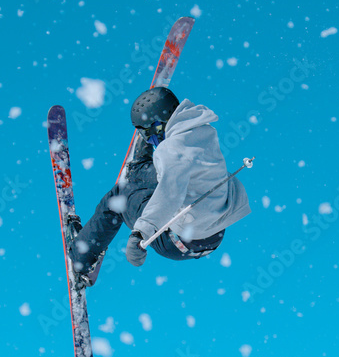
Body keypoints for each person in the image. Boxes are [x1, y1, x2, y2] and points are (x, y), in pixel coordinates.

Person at [68, 87, 251, 285]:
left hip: (177, 243)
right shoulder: (204, 133)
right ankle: (138, 168)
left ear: (158, 125)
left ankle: (82, 258)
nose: (149, 140)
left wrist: (140, 233)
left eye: (147, 134)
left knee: (118, 196)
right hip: (214, 235)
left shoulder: (170, 151)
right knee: (155, 174)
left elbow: (169, 195)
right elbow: (180, 172)